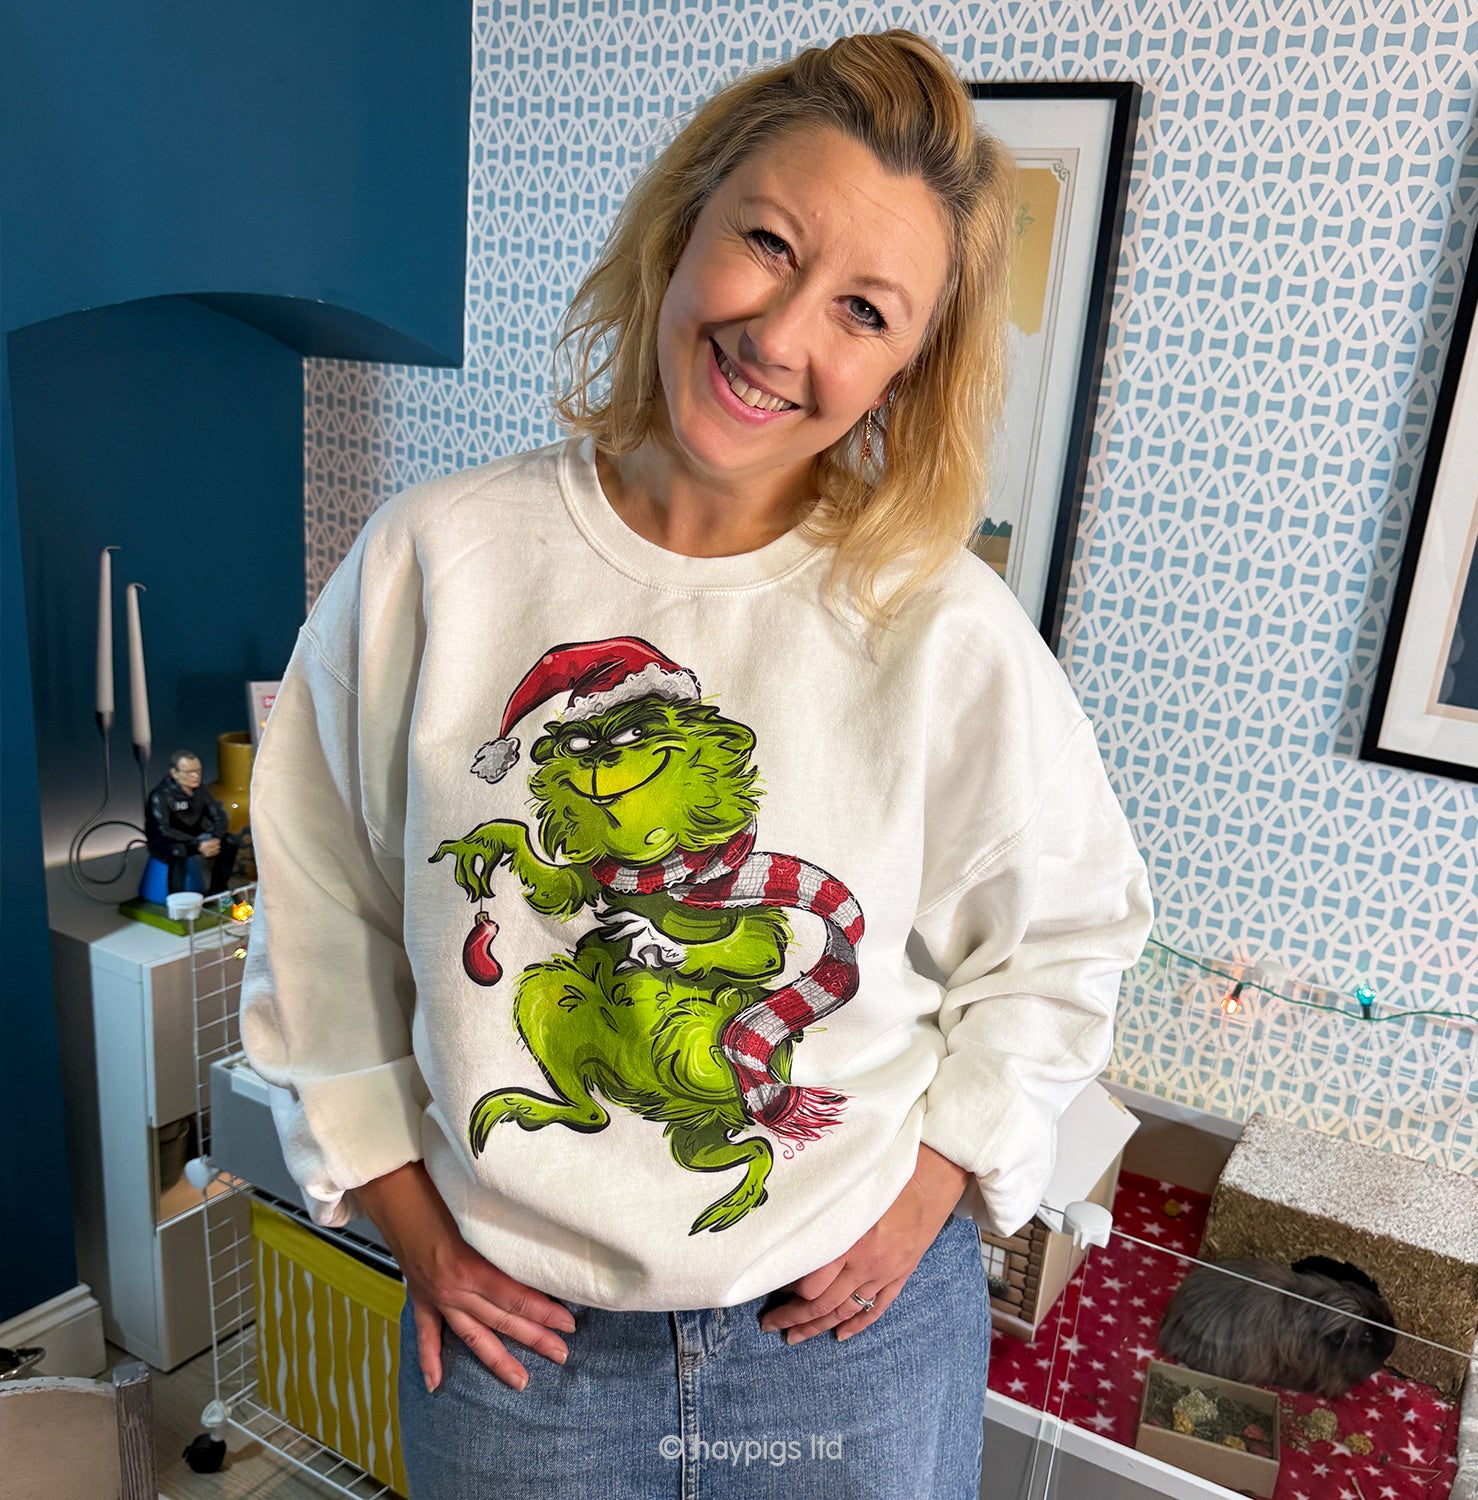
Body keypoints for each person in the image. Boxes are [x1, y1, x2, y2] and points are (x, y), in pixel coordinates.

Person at [241, 28, 1152, 1499]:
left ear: (904, 369)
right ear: (682, 226)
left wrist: (932, 1190)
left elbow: (1065, 939)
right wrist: (410, 1223)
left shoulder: (941, 625)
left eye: (863, 310)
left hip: (845, 1341)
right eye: (767, 244)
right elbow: (317, 912)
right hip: (520, 1351)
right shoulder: (434, 561)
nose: (783, 336)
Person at [142, 750, 235, 897]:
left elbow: (219, 816)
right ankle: (177, 898)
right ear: (175, 773)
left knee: (229, 842)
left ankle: (218, 890)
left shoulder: (201, 791)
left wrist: (215, 838)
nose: (195, 776)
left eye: (198, 771)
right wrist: (197, 843)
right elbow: (164, 830)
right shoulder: (160, 796)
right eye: (189, 772)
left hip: (196, 838)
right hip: (167, 842)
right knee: (178, 851)